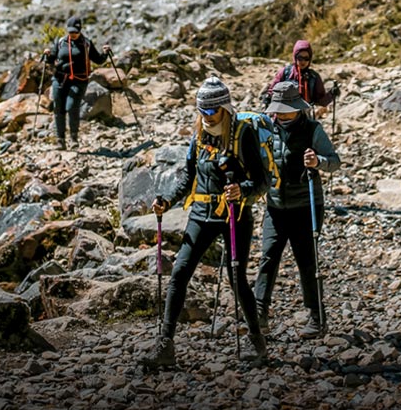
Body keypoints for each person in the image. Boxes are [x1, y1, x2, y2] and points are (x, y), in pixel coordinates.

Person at [142, 76, 269, 371]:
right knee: (180, 272)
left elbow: (261, 180)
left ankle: (256, 340)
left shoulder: (243, 132)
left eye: (213, 111)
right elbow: (188, 178)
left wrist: (243, 191)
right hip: (201, 212)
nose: (208, 116)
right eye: (203, 111)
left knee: (236, 278)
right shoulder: (198, 134)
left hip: (234, 214)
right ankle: (165, 343)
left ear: (224, 107)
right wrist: (167, 201)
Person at [254, 80, 341, 339]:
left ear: (296, 107)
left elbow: (334, 162)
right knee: (268, 258)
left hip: (307, 205)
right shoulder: (265, 129)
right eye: (275, 109)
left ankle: (316, 317)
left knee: (306, 261)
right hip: (275, 206)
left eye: (283, 110)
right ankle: (259, 316)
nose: (277, 114)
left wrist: (318, 161)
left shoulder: (313, 129)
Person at [43, 16, 110, 150]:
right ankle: (60, 140)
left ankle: (74, 138)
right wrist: (48, 55)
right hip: (60, 79)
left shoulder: (86, 44)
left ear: (80, 30)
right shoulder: (61, 42)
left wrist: (105, 53)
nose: (72, 34)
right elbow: (52, 59)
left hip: (79, 80)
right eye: (70, 31)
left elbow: (98, 60)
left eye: (75, 32)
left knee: (72, 107)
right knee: (58, 108)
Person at [264, 40, 337, 119]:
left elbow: (321, 101)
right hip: (283, 117)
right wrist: (268, 98)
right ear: (295, 57)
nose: (303, 61)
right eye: (300, 58)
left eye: (306, 58)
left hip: (305, 119)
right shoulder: (285, 73)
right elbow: (273, 92)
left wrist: (331, 95)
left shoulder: (314, 77)